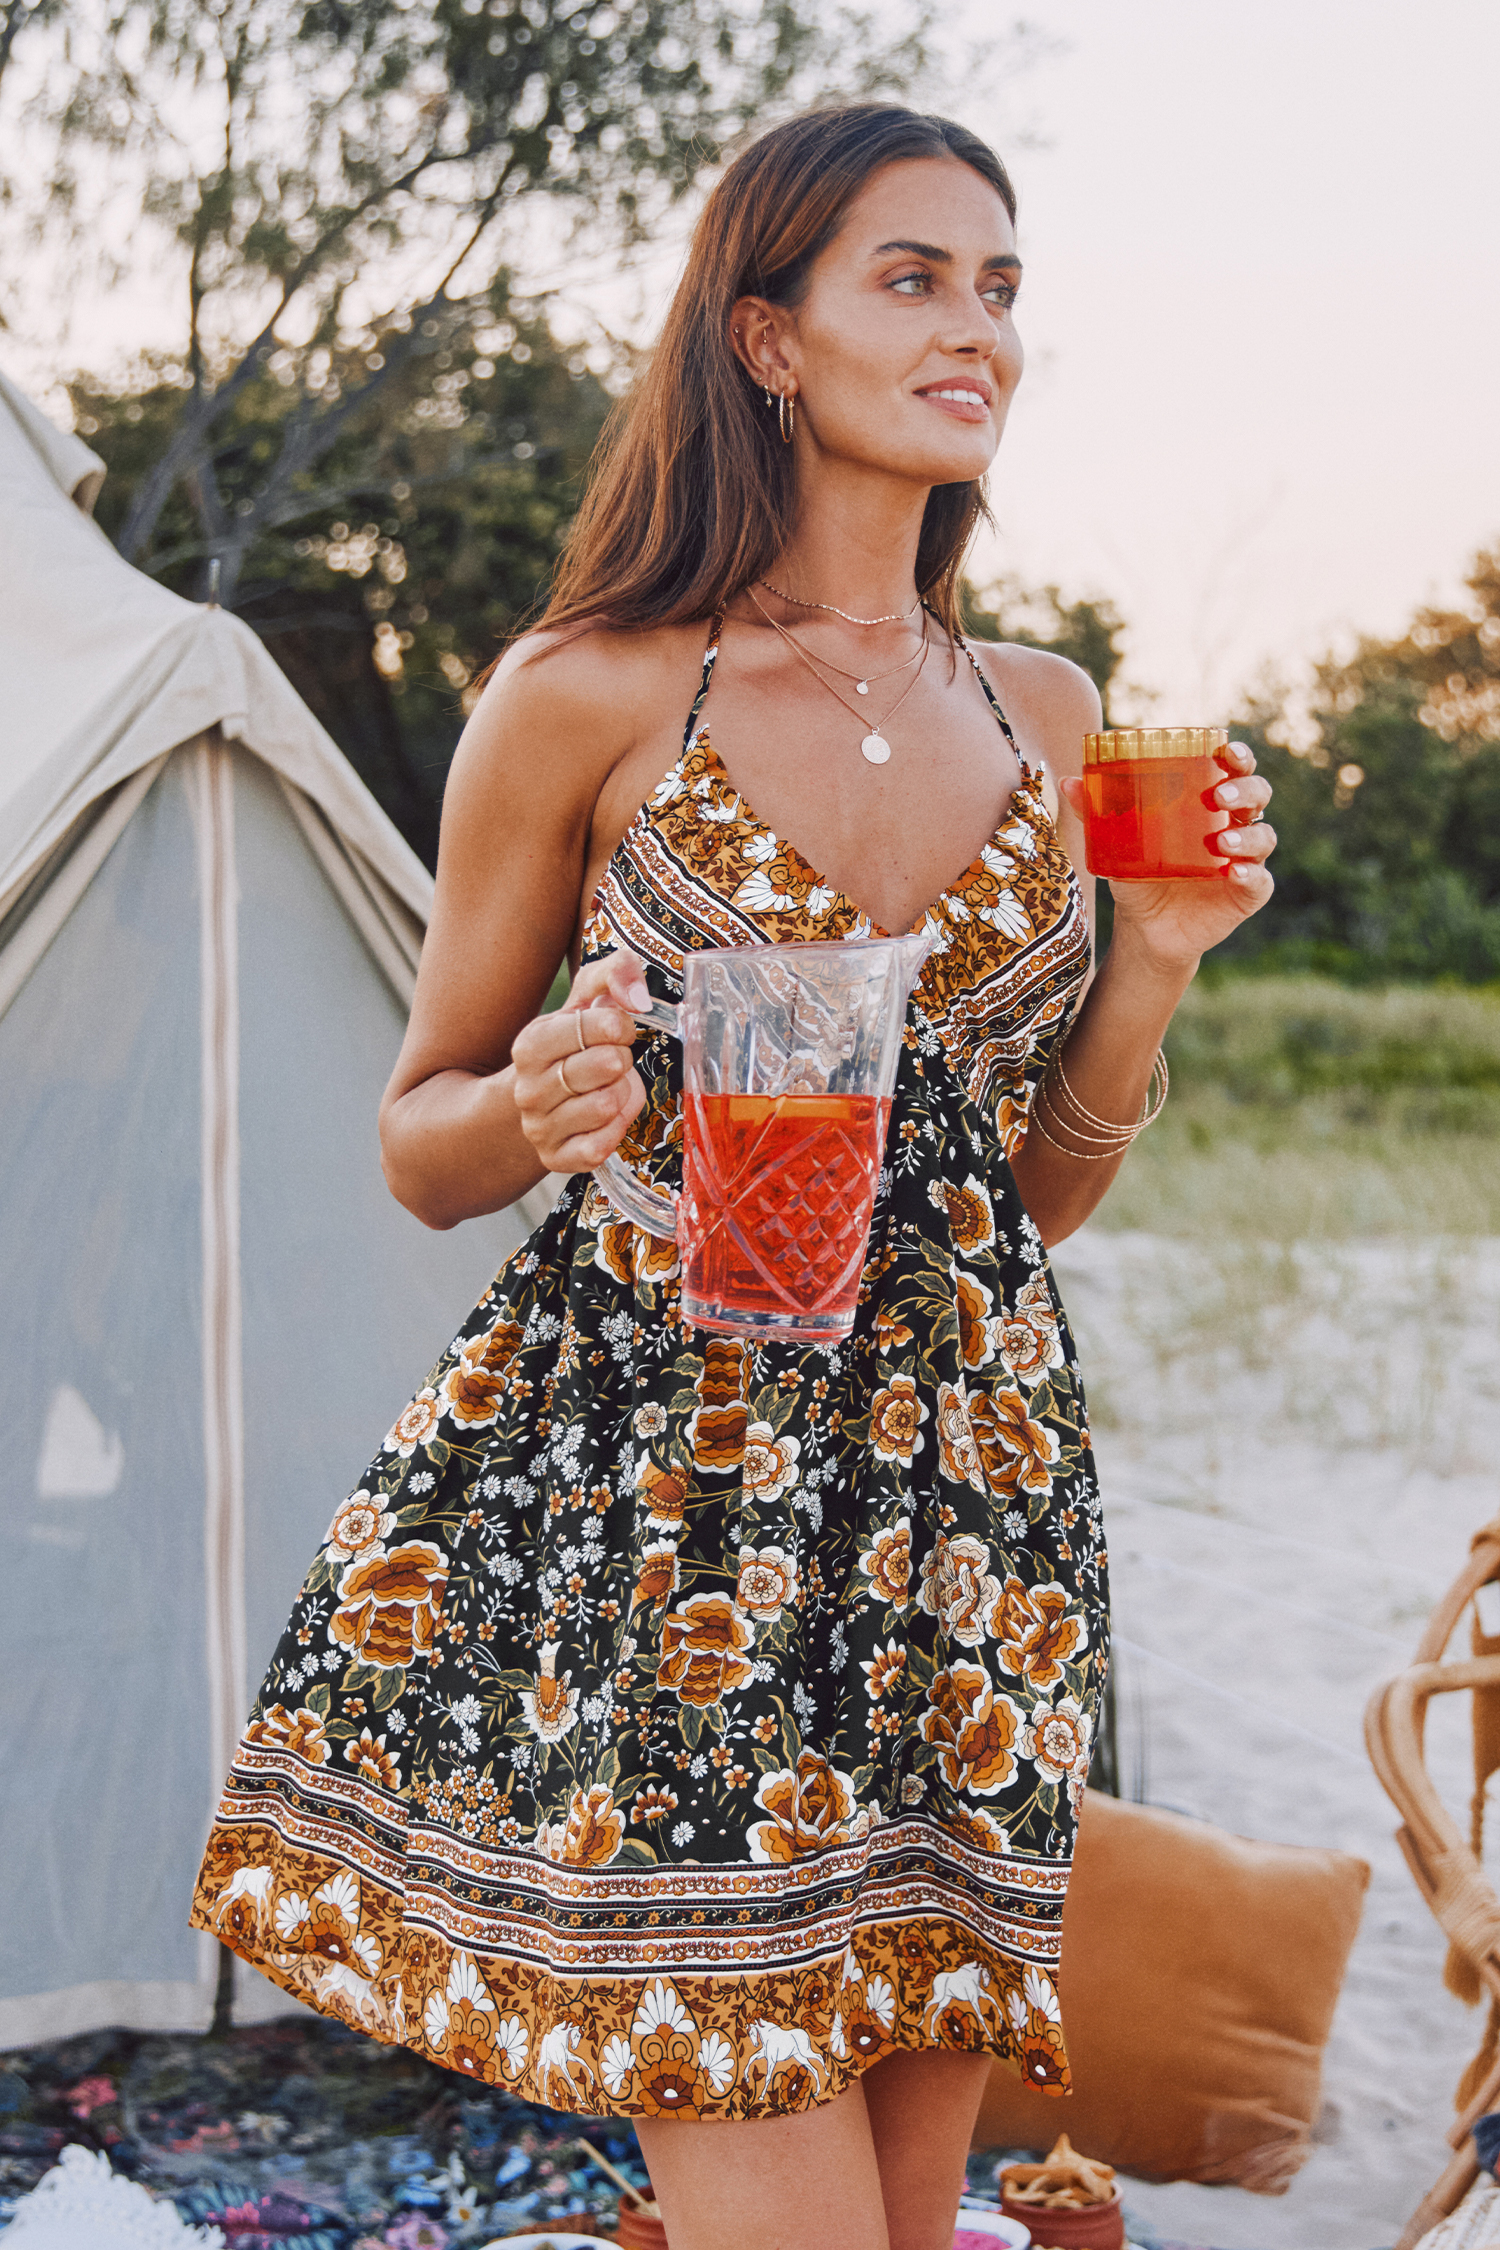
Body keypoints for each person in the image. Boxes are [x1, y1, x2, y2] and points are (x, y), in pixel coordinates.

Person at [193, 103, 1275, 2250]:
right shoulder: (585, 695)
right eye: (914, 276)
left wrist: (1143, 972)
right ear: (767, 338)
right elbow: (421, 1137)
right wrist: (547, 1107)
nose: (977, 328)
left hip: (969, 1534)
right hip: (674, 1519)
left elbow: (1018, 1212)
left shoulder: (1051, 714)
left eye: (1002, 286)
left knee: (895, 2221)